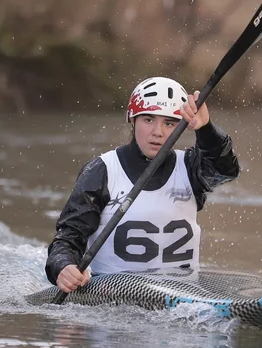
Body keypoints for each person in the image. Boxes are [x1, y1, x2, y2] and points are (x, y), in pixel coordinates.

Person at [46, 76, 241, 293]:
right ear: (132, 119)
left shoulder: (189, 166)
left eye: (169, 123)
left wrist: (205, 129)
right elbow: (69, 237)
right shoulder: (102, 170)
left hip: (183, 295)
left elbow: (225, 171)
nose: (158, 132)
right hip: (111, 297)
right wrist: (64, 266)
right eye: (148, 120)